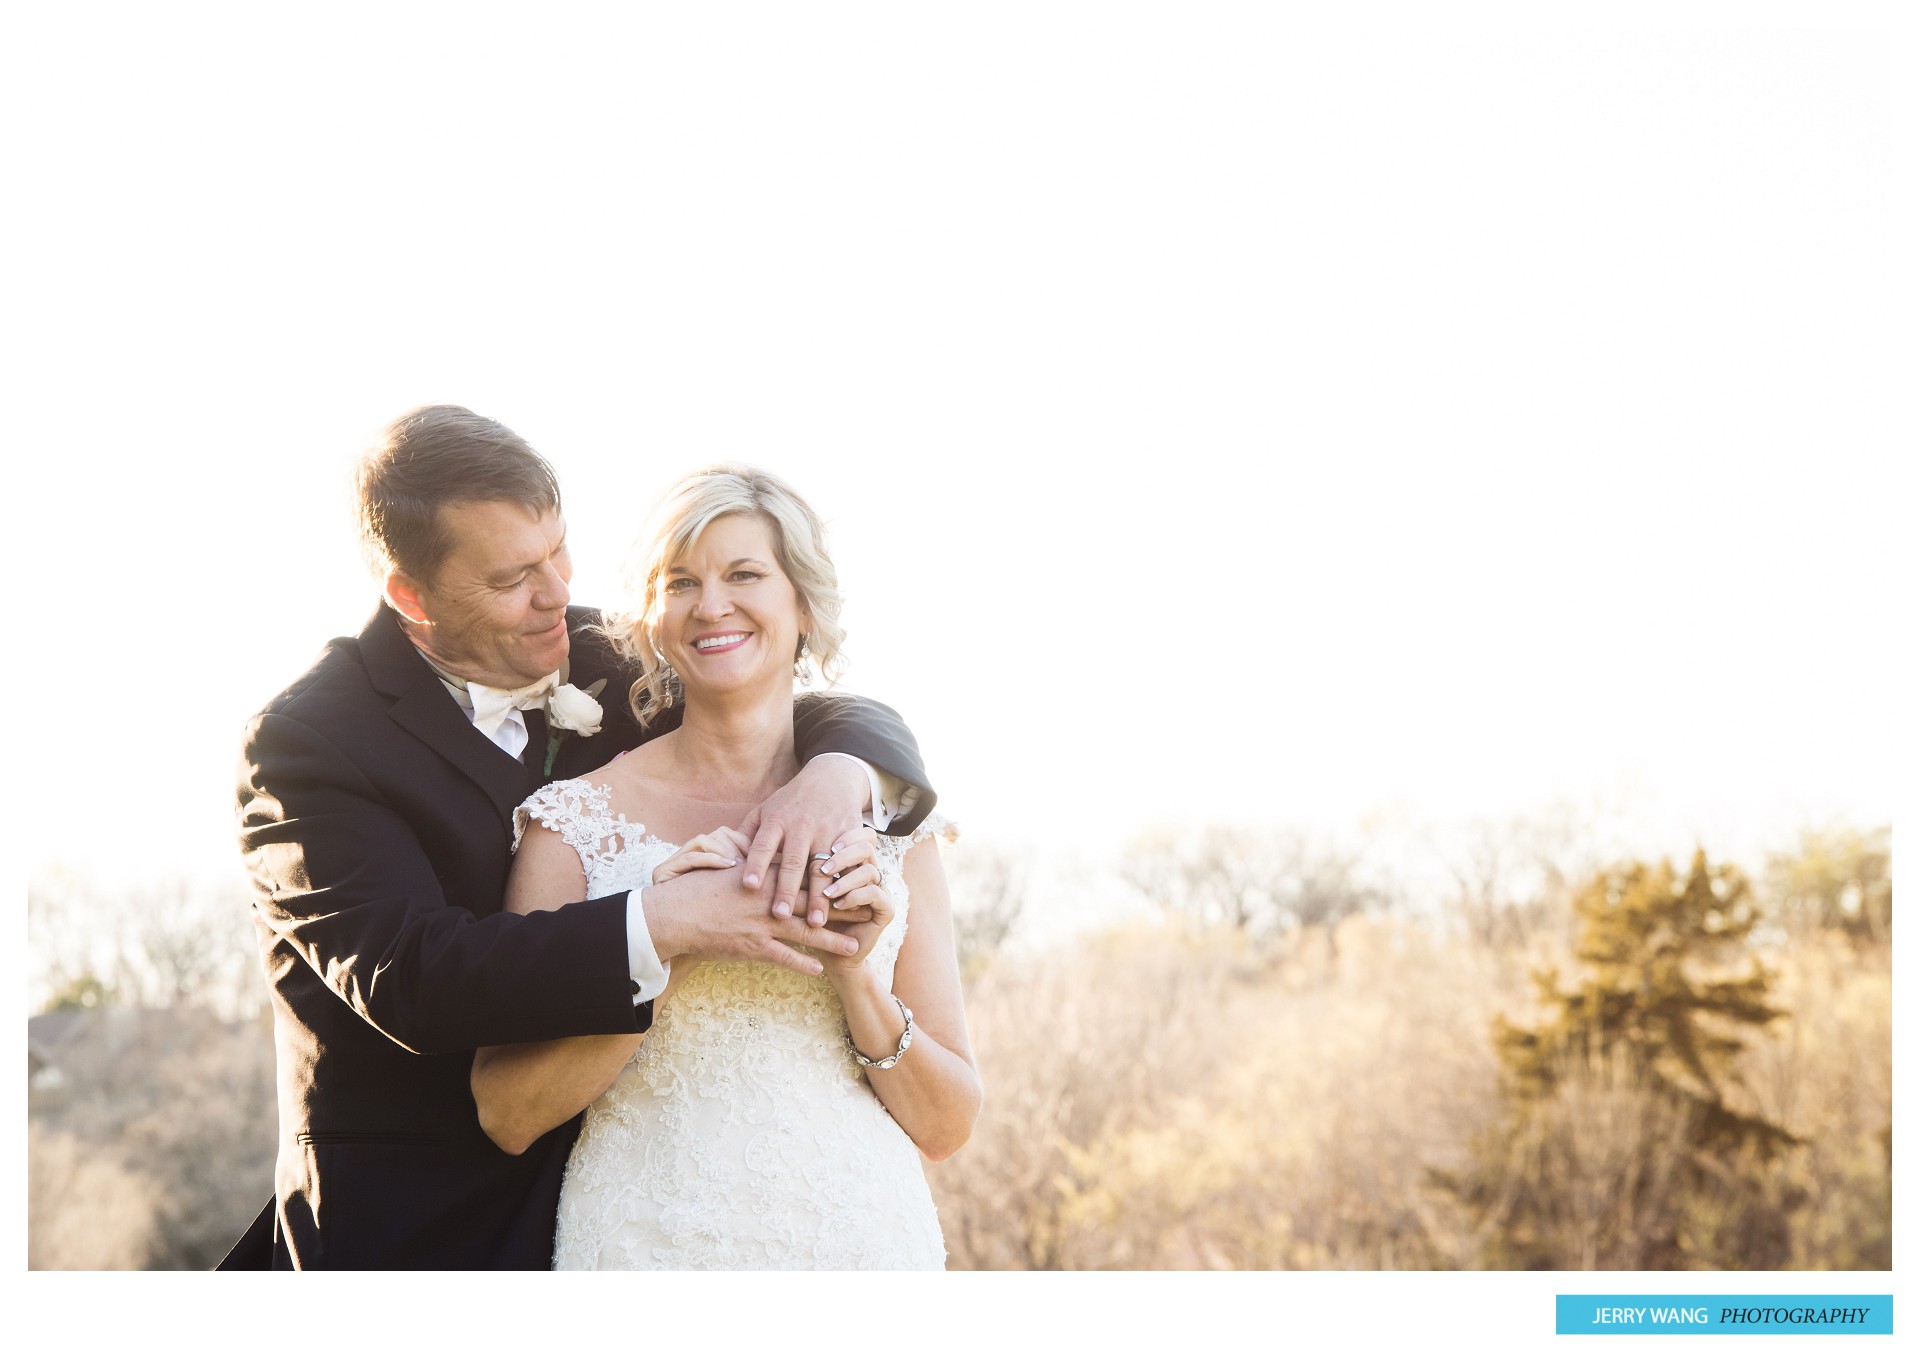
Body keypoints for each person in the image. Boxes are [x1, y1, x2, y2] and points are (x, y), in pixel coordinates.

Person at [220, 406, 935, 1270]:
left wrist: (842, 774)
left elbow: (779, 688)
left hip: (639, 1192)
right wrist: (665, 922)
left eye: (559, 549)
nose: (557, 590)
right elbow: (413, 975)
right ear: (410, 594)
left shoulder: (600, 653)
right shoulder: (309, 743)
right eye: (516, 574)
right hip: (420, 1229)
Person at [470, 465, 981, 1269]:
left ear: (802, 602)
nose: (712, 605)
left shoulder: (890, 824)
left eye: (745, 574)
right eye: (682, 582)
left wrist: (856, 979)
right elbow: (507, 1109)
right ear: (654, 615)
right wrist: (660, 942)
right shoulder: (570, 826)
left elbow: (949, 1126)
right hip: (646, 1247)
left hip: (864, 1246)